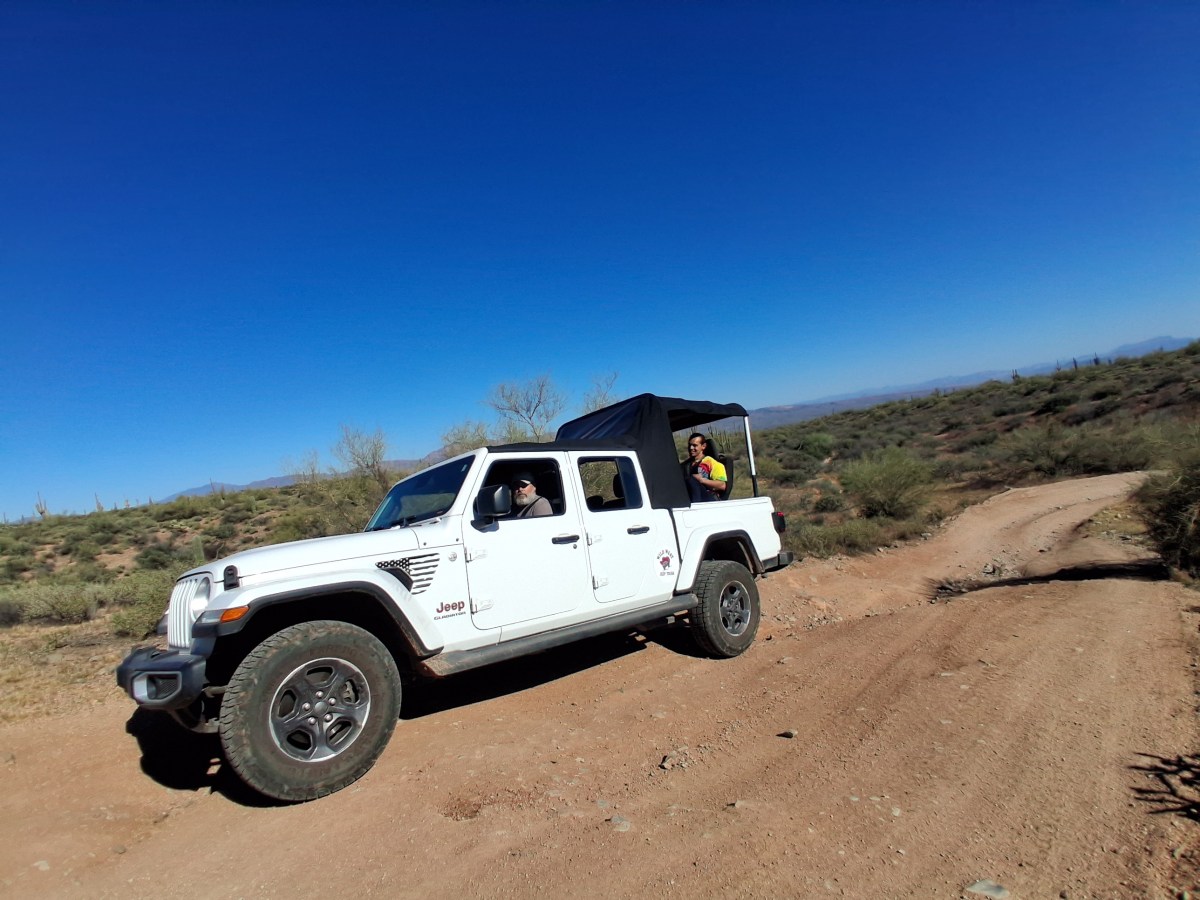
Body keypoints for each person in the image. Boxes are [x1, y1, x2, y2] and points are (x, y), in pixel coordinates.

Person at [683, 433, 727, 502]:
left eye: (694, 445)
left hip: (707, 500)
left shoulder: (712, 463)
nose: (691, 448)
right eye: (690, 445)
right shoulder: (686, 465)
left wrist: (701, 480)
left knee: (691, 480)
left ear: (703, 446)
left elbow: (722, 485)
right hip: (688, 498)